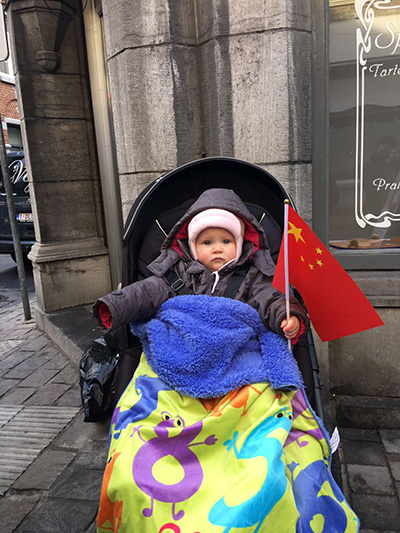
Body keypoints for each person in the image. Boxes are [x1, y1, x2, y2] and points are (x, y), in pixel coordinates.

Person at [93, 188, 309, 344]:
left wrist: (287, 316)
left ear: (241, 244)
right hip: (185, 344)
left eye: (226, 241)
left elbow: (270, 297)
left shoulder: (254, 274)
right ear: (193, 246)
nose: (217, 249)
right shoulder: (177, 272)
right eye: (207, 242)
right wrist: (115, 306)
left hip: (236, 346)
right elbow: (145, 293)